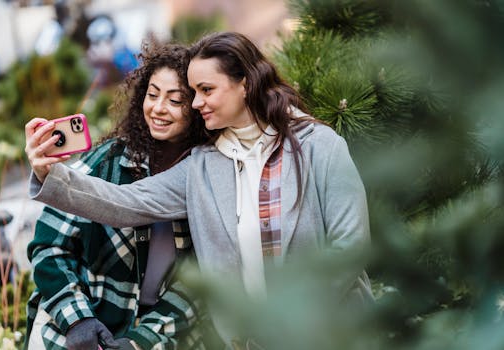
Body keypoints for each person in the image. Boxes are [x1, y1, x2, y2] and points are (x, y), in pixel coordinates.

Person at [25, 32, 374, 348]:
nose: (195, 103)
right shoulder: (205, 164)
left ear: (246, 85)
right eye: (192, 93)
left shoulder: (320, 146)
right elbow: (128, 201)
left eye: (205, 91)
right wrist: (49, 173)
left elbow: (351, 247)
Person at [25, 43, 211, 350]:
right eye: (152, 95)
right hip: (85, 321)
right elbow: (48, 246)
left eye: (176, 99)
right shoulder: (106, 162)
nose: (158, 108)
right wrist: (78, 320)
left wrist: (138, 342)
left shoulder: (207, 176)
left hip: (162, 333)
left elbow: (198, 284)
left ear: (198, 105)